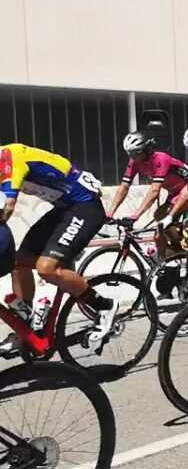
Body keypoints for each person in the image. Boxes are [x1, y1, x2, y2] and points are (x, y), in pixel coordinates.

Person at [0, 144, 118, 352]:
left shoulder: (10, 159)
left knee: (47, 268)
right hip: (64, 209)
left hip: (86, 208)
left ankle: (105, 306)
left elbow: (8, 206)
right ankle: (26, 322)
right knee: (18, 261)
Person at [108, 132, 188, 259]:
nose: (133, 157)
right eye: (130, 154)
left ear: (146, 149)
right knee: (159, 225)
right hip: (175, 193)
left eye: (136, 153)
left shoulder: (160, 158)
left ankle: (184, 246)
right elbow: (124, 187)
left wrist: (136, 215)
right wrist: (110, 212)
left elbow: (154, 191)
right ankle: (166, 259)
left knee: (163, 218)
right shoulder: (135, 161)